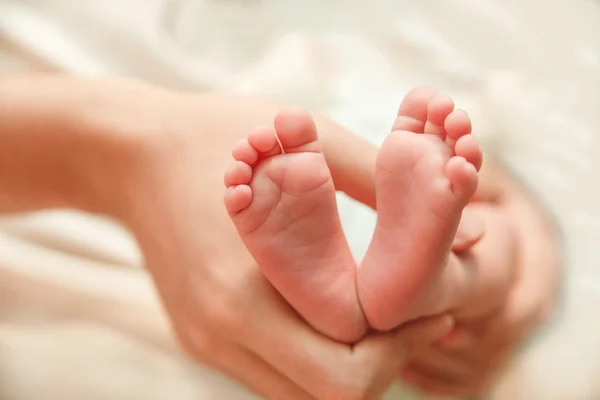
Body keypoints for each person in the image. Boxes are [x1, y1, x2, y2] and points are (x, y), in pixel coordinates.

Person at [0, 74, 559, 399]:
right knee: (485, 242)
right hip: (365, 164)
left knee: (473, 222)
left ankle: (342, 300)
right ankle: (435, 285)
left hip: (300, 221)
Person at [225, 86, 516, 344]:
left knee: (476, 218)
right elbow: (506, 197)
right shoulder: (445, 133)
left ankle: (333, 307)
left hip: (337, 203)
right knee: (498, 230)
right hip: (425, 241)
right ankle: (442, 285)